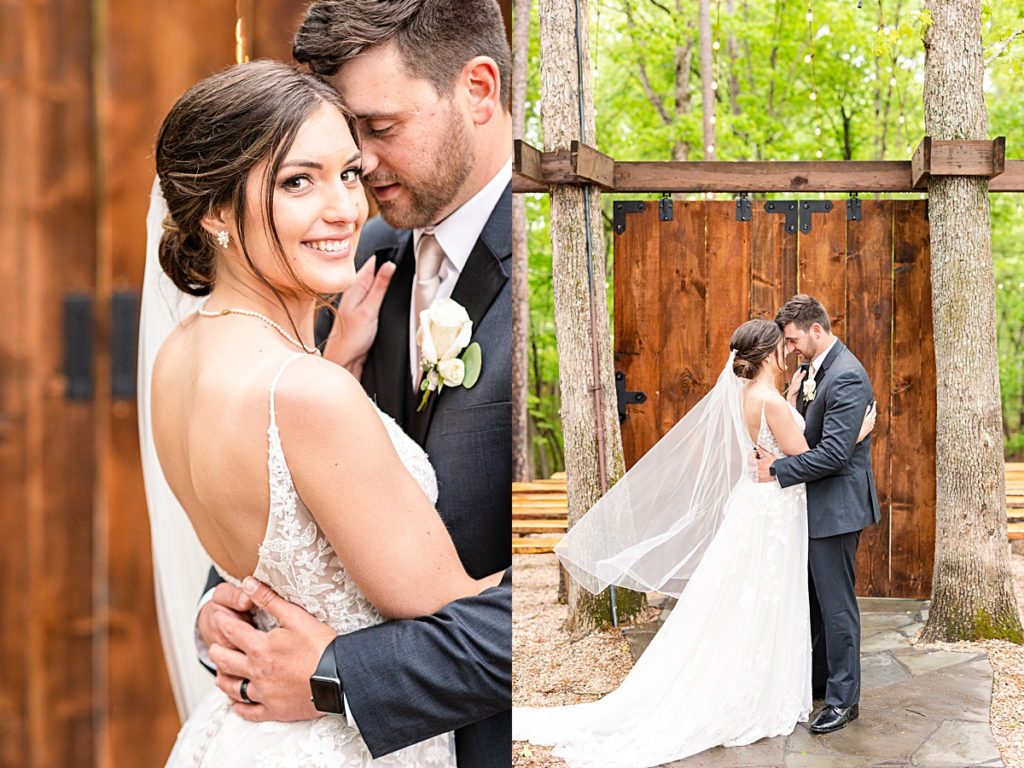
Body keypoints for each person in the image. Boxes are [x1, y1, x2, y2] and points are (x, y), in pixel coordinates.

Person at [148, 59, 502, 766]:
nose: (346, 207)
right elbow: (448, 609)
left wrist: (335, 364)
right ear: (216, 209)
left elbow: (276, 534)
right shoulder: (305, 392)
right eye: (297, 181)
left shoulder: (179, 355)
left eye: (348, 172)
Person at [512, 319, 875, 767]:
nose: (789, 352)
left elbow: (777, 442)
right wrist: (855, 434)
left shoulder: (750, 397)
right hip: (775, 512)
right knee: (765, 600)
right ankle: (760, 689)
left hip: (757, 506)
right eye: (782, 346)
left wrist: (790, 400)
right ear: (767, 355)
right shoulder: (773, 405)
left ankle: (764, 677)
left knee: (749, 600)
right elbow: (808, 456)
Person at [755, 294, 881, 734]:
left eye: (792, 341)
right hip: (813, 503)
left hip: (837, 507)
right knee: (812, 602)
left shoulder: (846, 375)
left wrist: (776, 469)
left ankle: (845, 701)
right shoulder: (814, 371)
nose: (788, 350)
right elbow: (813, 435)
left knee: (836, 607)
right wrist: (794, 395)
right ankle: (820, 681)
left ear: (815, 330)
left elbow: (830, 456)